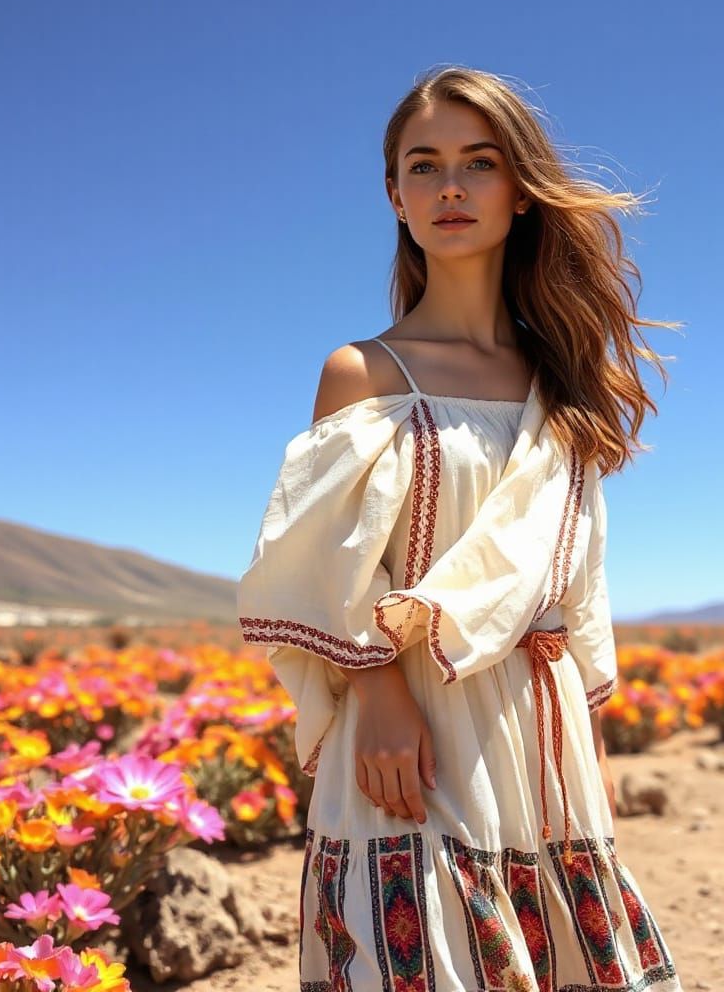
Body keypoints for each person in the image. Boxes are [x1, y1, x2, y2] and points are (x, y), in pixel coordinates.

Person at [238, 65, 685, 991]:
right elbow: (322, 565)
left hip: (535, 722)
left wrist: (587, 752)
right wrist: (382, 695)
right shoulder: (363, 373)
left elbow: (577, 584)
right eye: (423, 165)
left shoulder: (562, 383)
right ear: (394, 195)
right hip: (408, 719)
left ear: (520, 191)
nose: (450, 187)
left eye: (479, 162)